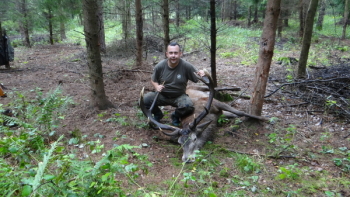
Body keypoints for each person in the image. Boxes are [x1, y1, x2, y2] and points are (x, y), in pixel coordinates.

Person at [143, 42, 205, 126]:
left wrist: (202, 73)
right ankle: (158, 114)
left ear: (180, 54)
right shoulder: (160, 66)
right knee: (144, 100)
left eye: (176, 53)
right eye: (171, 53)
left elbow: (198, 75)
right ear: (167, 54)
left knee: (188, 106)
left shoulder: (186, 66)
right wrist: (157, 86)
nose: (173, 55)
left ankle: (175, 116)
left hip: (179, 96)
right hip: (162, 95)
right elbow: (153, 79)